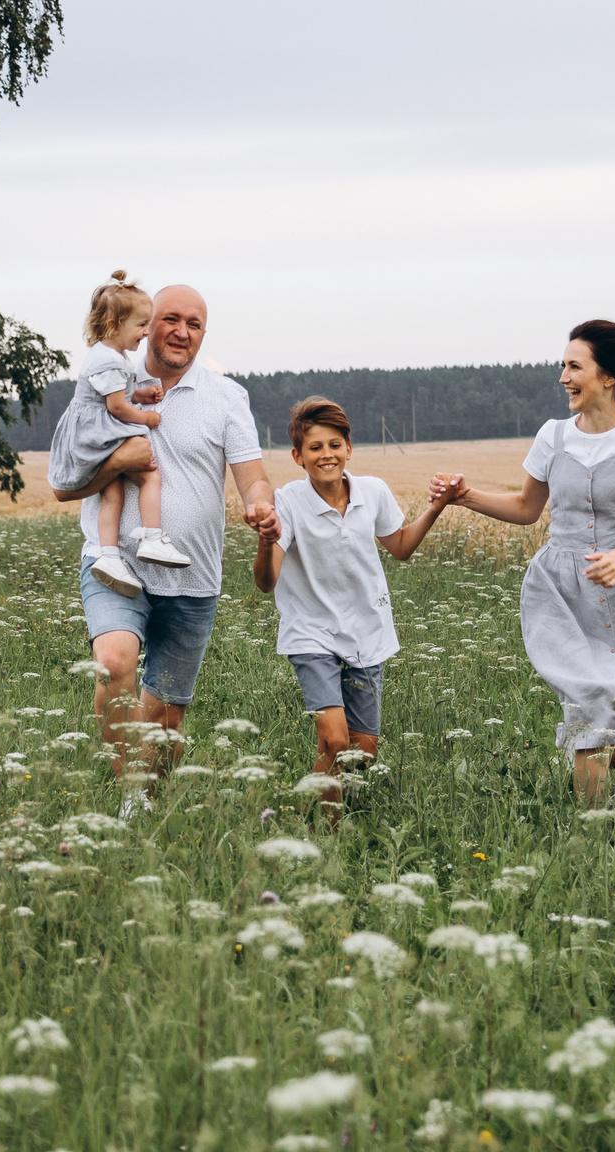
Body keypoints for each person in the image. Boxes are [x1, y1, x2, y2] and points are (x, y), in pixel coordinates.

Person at [432, 319, 615, 805]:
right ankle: (593, 837)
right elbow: (527, 510)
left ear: (608, 377)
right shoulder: (553, 436)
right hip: (563, 591)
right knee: (593, 710)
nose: (564, 377)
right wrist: (463, 497)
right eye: (563, 366)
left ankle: (589, 772)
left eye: (575, 367)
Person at [52, 285, 276, 807]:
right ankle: (128, 800)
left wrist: (261, 506)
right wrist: (119, 464)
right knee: (113, 663)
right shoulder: (108, 383)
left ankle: (148, 808)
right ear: (146, 325)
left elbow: (254, 479)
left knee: (167, 720)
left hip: (192, 576)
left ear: (203, 333)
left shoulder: (227, 397)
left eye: (194, 323)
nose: (181, 331)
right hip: (116, 564)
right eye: (170, 319)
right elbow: (65, 484)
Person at [252, 397, 453, 814]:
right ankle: (323, 830)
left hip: (367, 631)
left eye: (334, 444)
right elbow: (266, 582)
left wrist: (437, 506)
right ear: (297, 456)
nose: (326, 454)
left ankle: (320, 808)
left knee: (363, 752)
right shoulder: (287, 501)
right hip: (310, 632)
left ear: (348, 447)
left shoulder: (373, 491)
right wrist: (267, 538)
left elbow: (400, 547)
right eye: (315, 447)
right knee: (336, 741)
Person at [48, 271, 191, 597]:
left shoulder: (107, 354)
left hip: (92, 432)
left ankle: (108, 556)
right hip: (103, 431)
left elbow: (115, 396)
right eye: (141, 325)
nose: (146, 331)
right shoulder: (111, 361)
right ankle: (153, 538)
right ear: (115, 325)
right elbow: (116, 408)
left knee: (113, 493)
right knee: (150, 475)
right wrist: (146, 416)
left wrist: (140, 395)